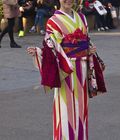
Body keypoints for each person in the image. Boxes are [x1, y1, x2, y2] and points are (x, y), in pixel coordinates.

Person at [27, 0, 106, 139]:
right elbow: (50, 49)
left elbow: (87, 40)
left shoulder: (82, 18)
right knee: (65, 110)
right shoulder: (53, 21)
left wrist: (90, 49)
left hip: (82, 70)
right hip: (65, 71)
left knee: (82, 111)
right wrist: (39, 52)